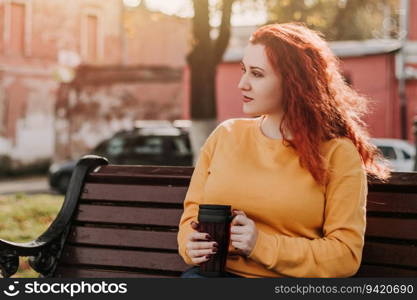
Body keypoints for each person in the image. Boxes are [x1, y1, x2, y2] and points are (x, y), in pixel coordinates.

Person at [177, 22, 392, 278]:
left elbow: (345, 256)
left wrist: (260, 244)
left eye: (257, 74)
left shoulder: (338, 153)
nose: (242, 84)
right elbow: (192, 214)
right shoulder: (226, 135)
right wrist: (191, 244)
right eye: (243, 70)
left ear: (294, 82)